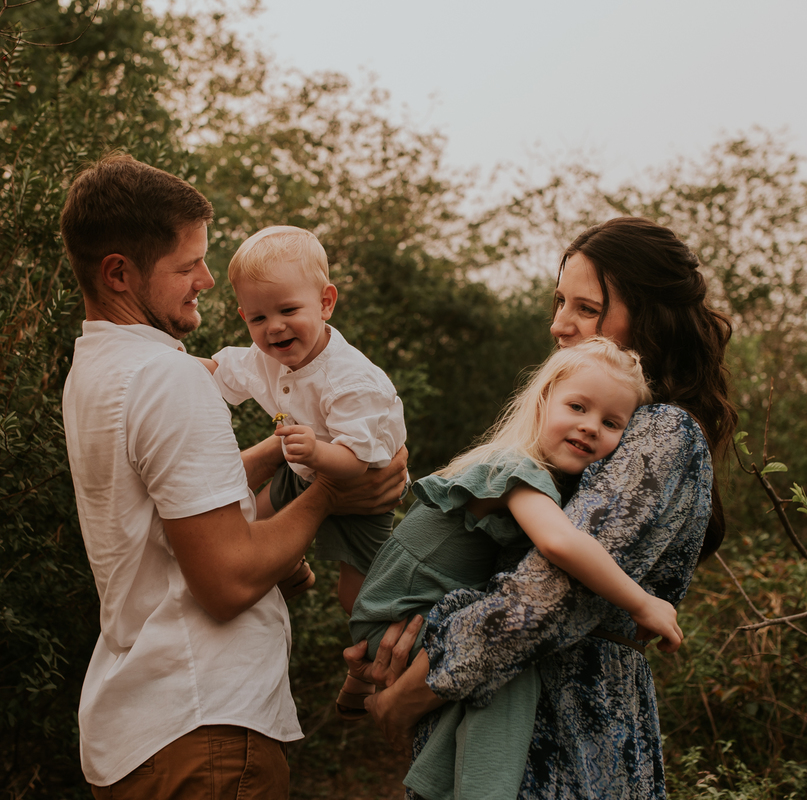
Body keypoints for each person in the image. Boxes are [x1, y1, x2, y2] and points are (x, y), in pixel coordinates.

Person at [347, 217, 736, 800]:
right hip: (504, 707)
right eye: (559, 301)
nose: (559, 324)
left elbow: (547, 596)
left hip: (568, 725)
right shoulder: (573, 439)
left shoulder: (662, 431)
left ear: (649, 316)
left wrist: (416, 689)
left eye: (587, 307)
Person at [59, 154, 407, 799]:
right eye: (188, 264)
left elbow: (179, 506)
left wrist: (283, 452)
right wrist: (334, 488)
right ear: (119, 273)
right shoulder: (168, 376)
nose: (207, 280)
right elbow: (226, 580)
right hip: (206, 730)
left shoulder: (96, 372)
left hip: (142, 729)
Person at [345, 338, 682, 800]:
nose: (589, 427)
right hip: (399, 617)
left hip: (398, 614)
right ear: (543, 401)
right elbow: (561, 543)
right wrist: (643, 602)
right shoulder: (515, 468)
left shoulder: (527, 474)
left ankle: (433, 784)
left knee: (484, 659)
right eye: (578, 406)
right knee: (507, 663)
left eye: (610, 422)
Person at [198, 226, 407, 612]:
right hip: (302, 469)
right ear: (244, 316)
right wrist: (172, 364)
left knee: (358, 598)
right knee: (246, 529)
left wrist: (315, 450)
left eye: (288, 310)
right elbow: (218, 371)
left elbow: (356, 461)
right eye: (258, 317)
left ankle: (374, 646)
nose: (273, 327)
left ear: (325, 303)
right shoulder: (265, 357)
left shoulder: (351, 380)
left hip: (362, 489)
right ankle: (284, 565)